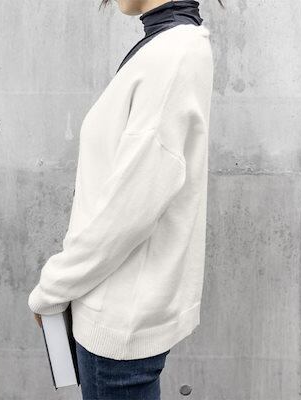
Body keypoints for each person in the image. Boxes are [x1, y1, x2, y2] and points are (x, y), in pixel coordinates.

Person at [28, 0, 216, 398]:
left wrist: (52, 289)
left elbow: (129, 210)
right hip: (112, 305)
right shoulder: (166, 45)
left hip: (117, 315)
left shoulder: (173, 53)